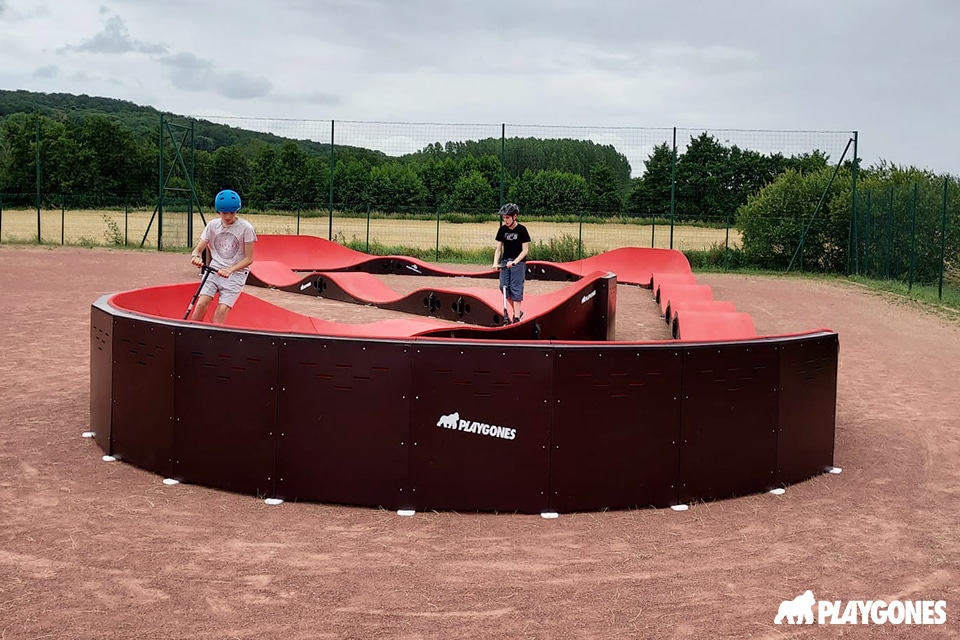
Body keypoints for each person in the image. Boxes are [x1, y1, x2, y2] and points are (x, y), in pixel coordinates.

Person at [188, 189, 257, 323]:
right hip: (214, 269)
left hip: (235, 273)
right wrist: (196, 256)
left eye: (232, 212)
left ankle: (214, 340)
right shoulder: (213, 225)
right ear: (218, 211)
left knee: (221, 310)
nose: (228, 217)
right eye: (224, 213)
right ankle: (192, 334)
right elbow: (198, 249)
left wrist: (230, 270)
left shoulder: (246, 228)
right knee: (201, 304)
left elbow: (249, 259)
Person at [492, 202, 531, 324]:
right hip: (505, 262)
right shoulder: (502, 230)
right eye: (504, 218)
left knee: (516, 288)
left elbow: (525, 250)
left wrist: (514, 262)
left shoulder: (522, 230)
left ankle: (516, 317)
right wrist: (495, 262)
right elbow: (498, 249)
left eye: (507, 217)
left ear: (515, 216)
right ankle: (518, 311)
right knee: (503, 287)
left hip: (518, 263)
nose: (505, 220)